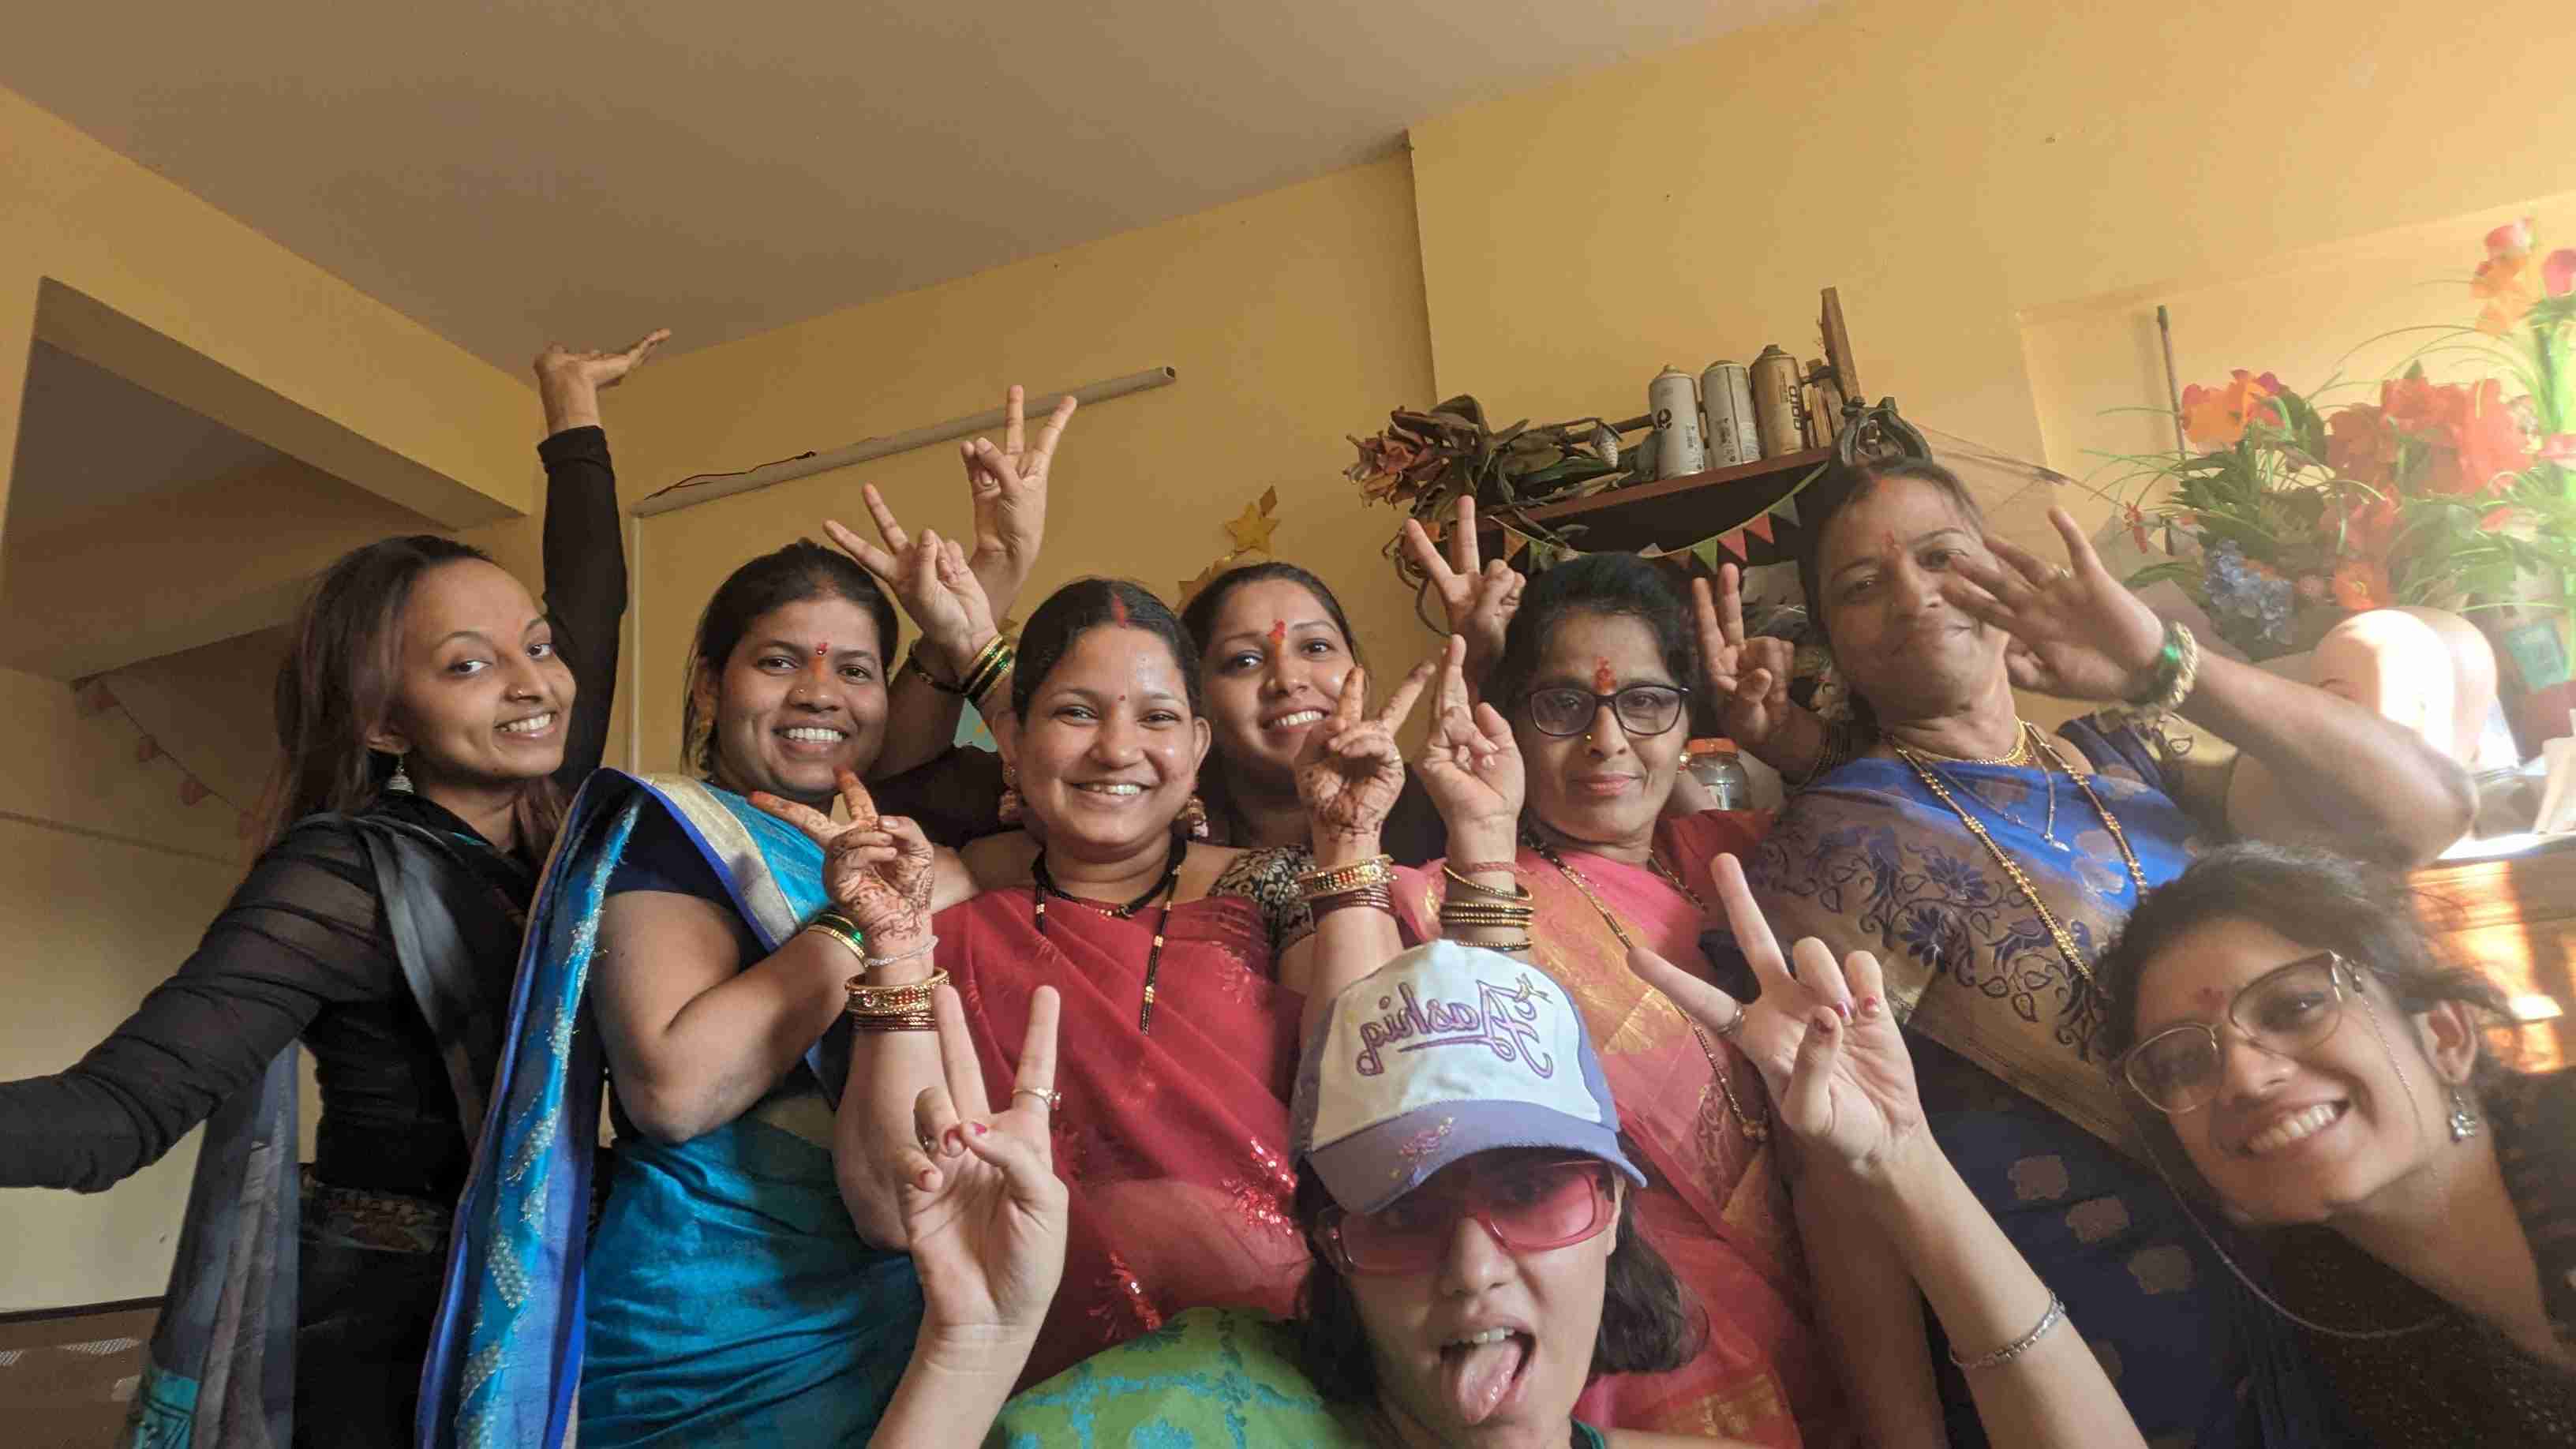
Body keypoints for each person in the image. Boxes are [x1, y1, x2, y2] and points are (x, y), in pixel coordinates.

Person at [0, 331, 663, 1446]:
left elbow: (591, 606)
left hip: (542, 1296)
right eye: (467, 664)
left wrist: (569, 412)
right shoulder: (346, 869)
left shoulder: (541, 832)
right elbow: (116, 1117)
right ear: (382, 719)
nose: (532, 682)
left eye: (533, 649)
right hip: (387, 1334)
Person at [1735, 457, 2475, 1445]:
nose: (1912, 593)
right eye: (1862, 587)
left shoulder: (2133, 754)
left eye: (1941, 555)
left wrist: (2163, 665)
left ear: (2007, 570)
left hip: (2339, 1278)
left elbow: (2423, 813)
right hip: (2106, 1354)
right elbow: (1842, 1186)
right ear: (1834, 642)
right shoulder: (1832, 843)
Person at [868, 915, 2149, 1448]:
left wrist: (1903, 1169)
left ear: (1609, 1215)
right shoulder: (1200, 1412)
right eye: (1405, 1212)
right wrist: (966, 1351)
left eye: (1531, 1190)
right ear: (1329, 1245)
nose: (1472, 1265)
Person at [419, 411, 1053, 1448]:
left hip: (889, 1300)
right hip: (706, 1333)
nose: (820, 694)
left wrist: (990, 591)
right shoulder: (671, 834)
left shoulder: (872, 825)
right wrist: (859, 924)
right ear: (713, 685)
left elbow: (1088, 783)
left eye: (855, 671)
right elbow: (672, 1088)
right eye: (779, 664)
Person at [822, 576, 1432, 1389]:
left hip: (1294, 1374)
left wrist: (1349, 837)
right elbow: (886, 1209)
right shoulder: (953, 916)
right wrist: (895, 946)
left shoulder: (1274, 891)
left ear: (1199, 748)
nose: (1117, 749)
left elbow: (1383, 1113)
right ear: (1011, 737)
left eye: (1157, 718)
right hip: (1032, 1390)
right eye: (1077, 712)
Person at [1386, 552, 1839, 1443]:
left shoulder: (1755, 849)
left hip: (1847, 1292)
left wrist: (1794, 744)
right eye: (1562, 706)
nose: (1607, 742)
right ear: (1509, 717)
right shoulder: (1452, 894)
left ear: (1685, 717)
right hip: (1640, 1339)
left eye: (1644, 701)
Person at [2096, 842, 2574, 1443]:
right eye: (2183, 1062)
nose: (2245, 1079)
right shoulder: (2333, 1340)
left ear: (2446, 1037)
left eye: (2294, 1006)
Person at [1180, 557, 1447, 863]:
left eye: (1315, 647)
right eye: (1244, 661)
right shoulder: (1157, 850)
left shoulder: (1444, 811)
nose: (1288, 681)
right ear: (1194, 698)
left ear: (1361, 673)